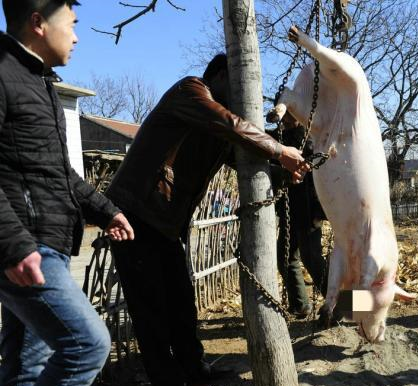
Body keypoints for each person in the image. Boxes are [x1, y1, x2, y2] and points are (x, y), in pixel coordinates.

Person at [105, 54, 310, 386]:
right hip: (136, 214)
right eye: (239, 82)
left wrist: (285, 169)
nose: (248, 94)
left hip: (165, 224)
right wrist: (279, 150)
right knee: (151, 308)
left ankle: (195, 371)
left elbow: (244, 158)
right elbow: (229, 124)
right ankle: (166, 378)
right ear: (218, 76)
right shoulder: (192, 91)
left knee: (181, 304)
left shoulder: (216, 129)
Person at [0, 1, 135, 385]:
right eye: (72, 25)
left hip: (41, 244)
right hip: (29, 246)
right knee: (87, 344)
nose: (76, 37)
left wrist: (106, 211)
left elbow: (58, 172)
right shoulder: (2, 73)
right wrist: (12, 245)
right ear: (39, 22)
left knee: (28, 371)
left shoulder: (37, 82)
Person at [270, 113, 328, 319]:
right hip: (289, 210)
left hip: (308, 210)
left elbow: (320, 176)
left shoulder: (309, 137)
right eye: (282, 117)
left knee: (311, 258)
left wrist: (319, 211)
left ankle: (354, 305)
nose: (285, 120)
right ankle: (300, 305)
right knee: (284, 257)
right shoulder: (279, 136)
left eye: (289, 116)